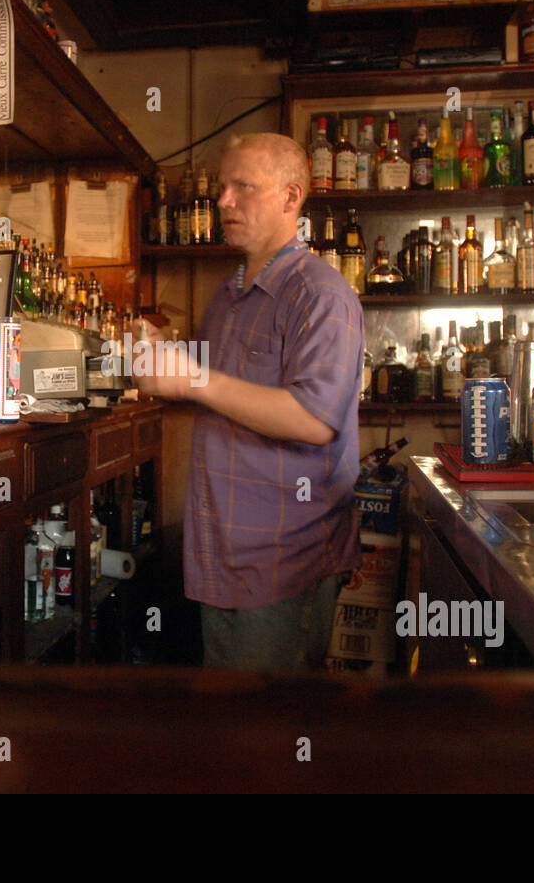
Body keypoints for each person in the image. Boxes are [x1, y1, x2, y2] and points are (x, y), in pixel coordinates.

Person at [134, 133, 364, 671]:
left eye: (243, 187)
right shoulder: (229, 293)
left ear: (291, 197)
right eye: (221, 188)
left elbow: (313, 420)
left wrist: (191, 379)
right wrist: (164, 360)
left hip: (285, 560)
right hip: (222, 551)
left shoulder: (322, 295)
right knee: (234, 732)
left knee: (271, 739)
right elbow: (229, 395)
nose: (223, 201)